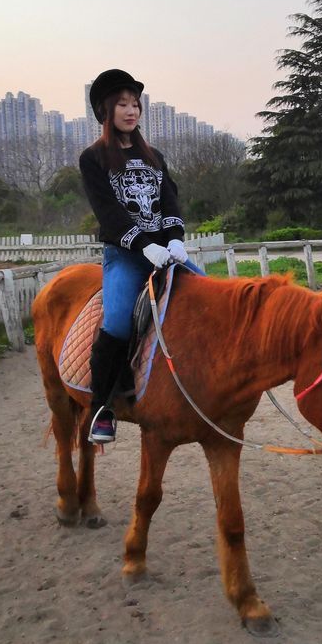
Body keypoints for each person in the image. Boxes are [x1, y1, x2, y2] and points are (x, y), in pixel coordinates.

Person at [79, 69, 203, 444]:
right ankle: (102, 408)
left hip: (166, 253)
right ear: (106, 110)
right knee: (116, 321)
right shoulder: (94, 158)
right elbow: (109, 213)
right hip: (125, 256)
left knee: (209, 293)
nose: (131, 111)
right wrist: (141, 244)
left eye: (135, 104)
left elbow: (169, 201)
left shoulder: (155, 157)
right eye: (122, 104)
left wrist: (176, 238)